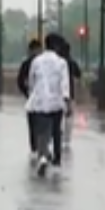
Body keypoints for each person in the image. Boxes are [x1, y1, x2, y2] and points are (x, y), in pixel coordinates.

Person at [26, 34, 71, 176]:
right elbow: (65, 84)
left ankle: (43, 156)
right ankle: (57, 160)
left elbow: (31, 80)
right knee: (56, 130)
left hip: (39, 101)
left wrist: (33, 94)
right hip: (56, 101)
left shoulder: (36, 61)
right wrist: (67, 102)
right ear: (57, 46)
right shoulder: (62, 63)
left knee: (42, 132)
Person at [17, 39, 43, 158]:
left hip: (32, 98)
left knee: (33, 124)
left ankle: (35, 147)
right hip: (43, 99)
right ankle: (41, 147)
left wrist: (27, 93)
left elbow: (20, 81)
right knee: (42, 124)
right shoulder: (42, 63)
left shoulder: (26, 63)